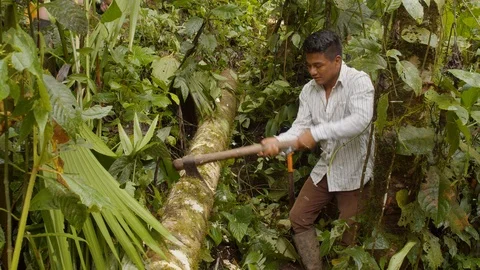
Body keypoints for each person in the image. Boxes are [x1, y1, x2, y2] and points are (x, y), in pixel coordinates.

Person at [259, 30, 375, 269]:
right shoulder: (308, 91)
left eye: (318, 65)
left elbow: (361, 120)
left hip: (355, 172)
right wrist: (278, 143)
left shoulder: (359, 82)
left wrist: (317, 133)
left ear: (337, 60)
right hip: (326, 167)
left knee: (348, 237)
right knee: (298, 217)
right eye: (309, 66)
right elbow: (299, 129)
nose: (312, 72)